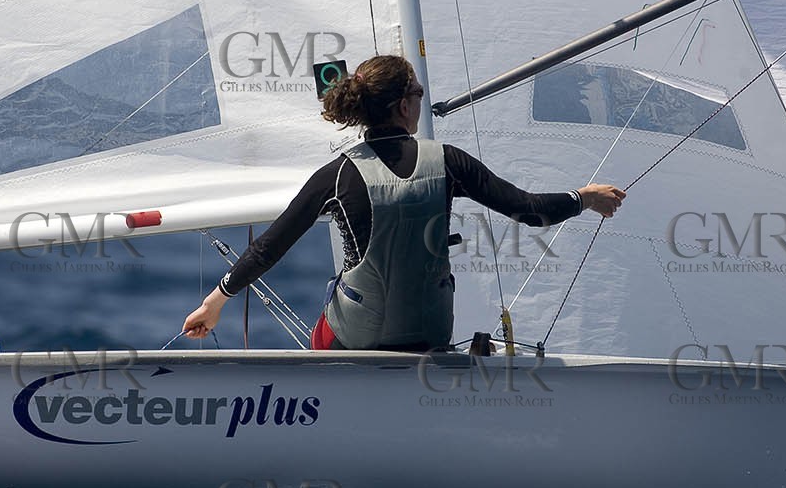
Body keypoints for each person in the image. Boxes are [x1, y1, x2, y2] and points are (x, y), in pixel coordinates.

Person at [182, 55, 625, 352]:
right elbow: (531, 210)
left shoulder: (337, 174)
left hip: (355, 338)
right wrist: (584, 197)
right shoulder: (448, 161)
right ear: (402, 105)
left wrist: (216, 301)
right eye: (417, 93)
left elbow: (269, 248)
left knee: (336, 300)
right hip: (426, 336)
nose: (420, 101)